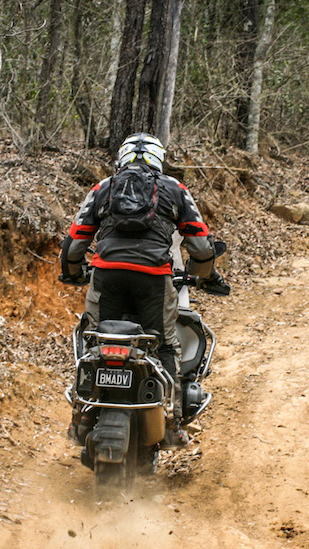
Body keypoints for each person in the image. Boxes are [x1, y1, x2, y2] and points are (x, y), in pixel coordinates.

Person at [59, 132, 228, 446]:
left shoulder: (104, 188)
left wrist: (73, 272)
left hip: (106, 276)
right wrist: (204, 274)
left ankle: (79, 418)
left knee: (94, 339)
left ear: (121, 159)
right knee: (165, 346)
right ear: (159, 160)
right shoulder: (175, 190)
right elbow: (202, 247)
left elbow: (73, 243)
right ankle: (174, 423)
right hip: (153, 278)